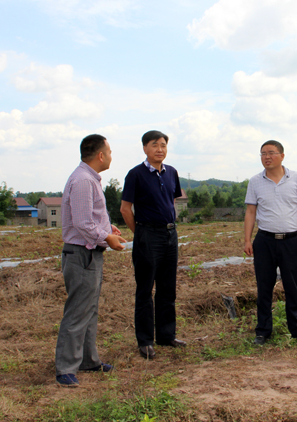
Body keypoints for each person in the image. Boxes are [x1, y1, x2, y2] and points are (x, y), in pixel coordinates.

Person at [56, 134, 127, 387]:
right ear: (100, 155)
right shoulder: (84, 180)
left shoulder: (88, 178)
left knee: (89, 310)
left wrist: (108, 228)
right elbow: (83, 223)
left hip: (89, 254)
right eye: (109, 151)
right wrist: (106, 238)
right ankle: (65, 368)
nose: (111, 156)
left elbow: (90, 217)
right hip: (81, 254)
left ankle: (87, 360)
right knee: (78, 311)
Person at [120, 130, 186, 360]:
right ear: (145, 148)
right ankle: (145, 341)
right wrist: (140, 233)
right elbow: (125, 209)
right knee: (145, 289)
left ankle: (166, 335)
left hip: (170, 234)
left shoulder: (172, 172)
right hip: (147, 235)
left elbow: (172, 200)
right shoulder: (135, 174)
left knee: (168, 288)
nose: (160, 149)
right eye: (155, 145)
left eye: (163, 145)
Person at [244, 140, 297, 346]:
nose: (267, 157)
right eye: (263, 154)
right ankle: (263, 331)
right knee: (264, 287)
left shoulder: (296, 178)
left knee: (292, 287)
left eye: (271, 153)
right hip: (264, 241)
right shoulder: (255, 181)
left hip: (291, 241)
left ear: (282, 156)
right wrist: (247, 239)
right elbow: (250, 212)